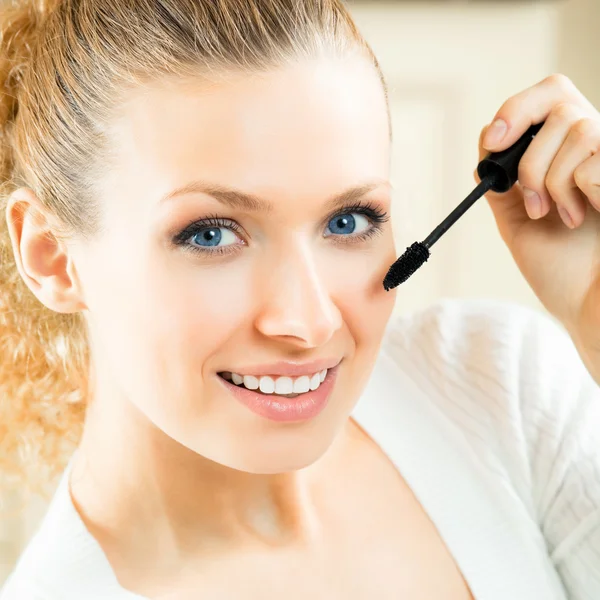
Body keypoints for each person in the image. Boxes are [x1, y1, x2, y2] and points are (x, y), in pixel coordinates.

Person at [1, 0, 600, 598]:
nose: (309, 323)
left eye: (347, 221)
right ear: (51, 257)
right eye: (210, 234)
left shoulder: (499, 389)